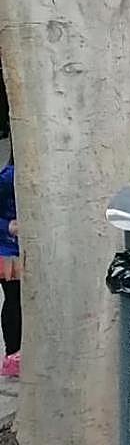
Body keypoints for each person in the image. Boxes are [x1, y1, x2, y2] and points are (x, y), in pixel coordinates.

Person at [0, 155, 17, 379]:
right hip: (8, 251)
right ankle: (12, 354)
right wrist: (7, 226)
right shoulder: (7, 178)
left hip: (28, 248)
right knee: (15, 301)